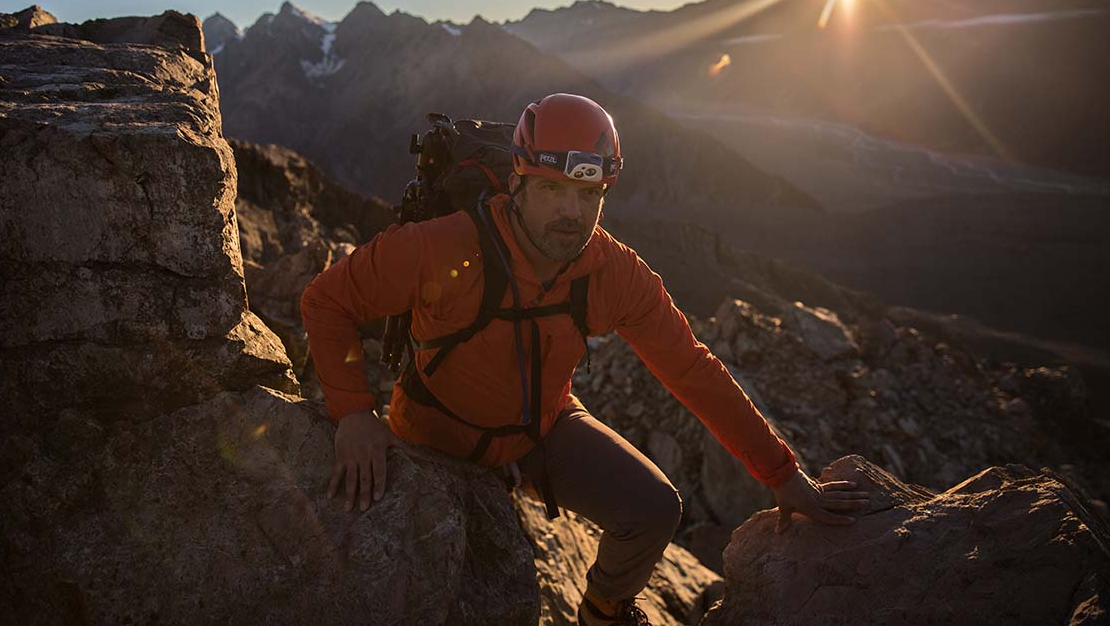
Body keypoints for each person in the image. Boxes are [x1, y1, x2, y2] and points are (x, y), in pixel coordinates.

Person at [300, 93, 868, 626]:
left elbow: (691, 368)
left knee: (654, 510)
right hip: (431, 436)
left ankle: (603, 614)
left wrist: (782, 474)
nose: (570, 212)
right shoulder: (443, 245)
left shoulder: (612, 272)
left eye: (588, 194)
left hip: (539, 430)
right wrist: (354, 413)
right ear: (518, 181)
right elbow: (327, 302)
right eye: (552, 189)